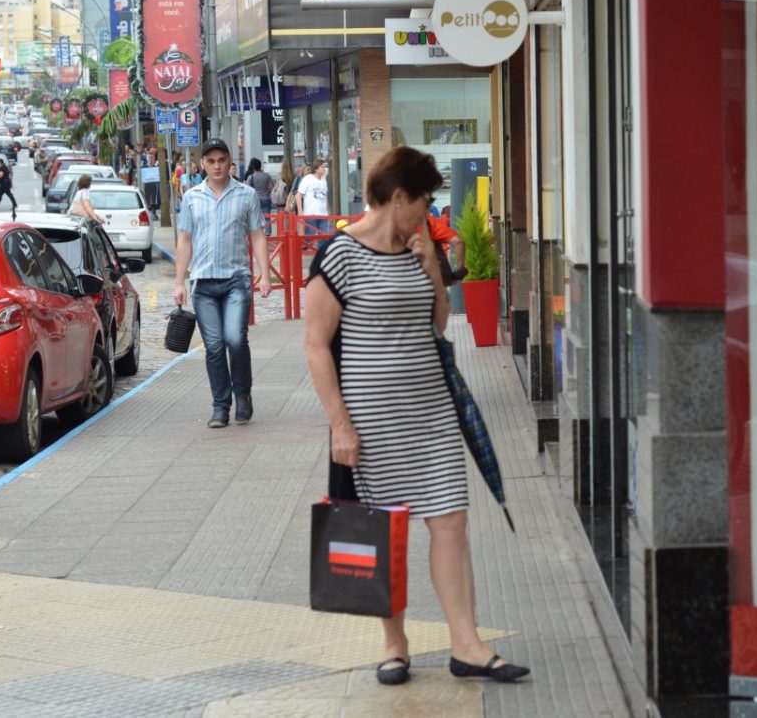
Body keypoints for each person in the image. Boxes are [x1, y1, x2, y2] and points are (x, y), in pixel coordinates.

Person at [303, 146, 530, 687]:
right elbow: (315, 346)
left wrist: (431, 266)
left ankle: (467, 646)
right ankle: (395, 644)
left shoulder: (414, 248)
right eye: (425, 201)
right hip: (372, 424)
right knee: (387, 531)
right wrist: (340, 424)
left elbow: (438, 323)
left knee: (451, 520)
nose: (429, 212)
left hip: (430, 416)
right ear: (399, 197)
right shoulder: (338, 255)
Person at [174, 138, 273, 428]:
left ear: (231, 162)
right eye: (211, 161)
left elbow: (257, 235)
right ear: (202, 164)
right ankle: (221, 406)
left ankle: (243, 395)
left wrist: (265, 274)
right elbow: (185, 240)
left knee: (235, 339)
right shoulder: (192, 197)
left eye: (221, 160)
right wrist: (179, 282)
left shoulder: (246, 195)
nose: (216, 166)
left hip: (236, 281)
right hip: (203, 284)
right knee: (214, 346)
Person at [296, 159, 331, 245]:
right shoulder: (307, 179)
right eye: (322, 167)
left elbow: (325, 196)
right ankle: (305, 248)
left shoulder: (324, 180)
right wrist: (300, 211)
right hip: (311, 214)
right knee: (309, 238)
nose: (324, 169)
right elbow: (298, 195)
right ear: (316, 169)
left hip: (323, 214)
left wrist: (328, 210)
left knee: (324, 238)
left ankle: (321, 255)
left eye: (325, 167)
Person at [243, 157, 273, 232]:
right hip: (266, 198)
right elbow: (271, 186)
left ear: (252, 167)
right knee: (267, 216)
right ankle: (268, 232)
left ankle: (258, 232)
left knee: (255, 217)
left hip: (255, 199)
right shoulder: (267, 175)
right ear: (260, 166)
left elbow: (248, 189)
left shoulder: (251, 177)